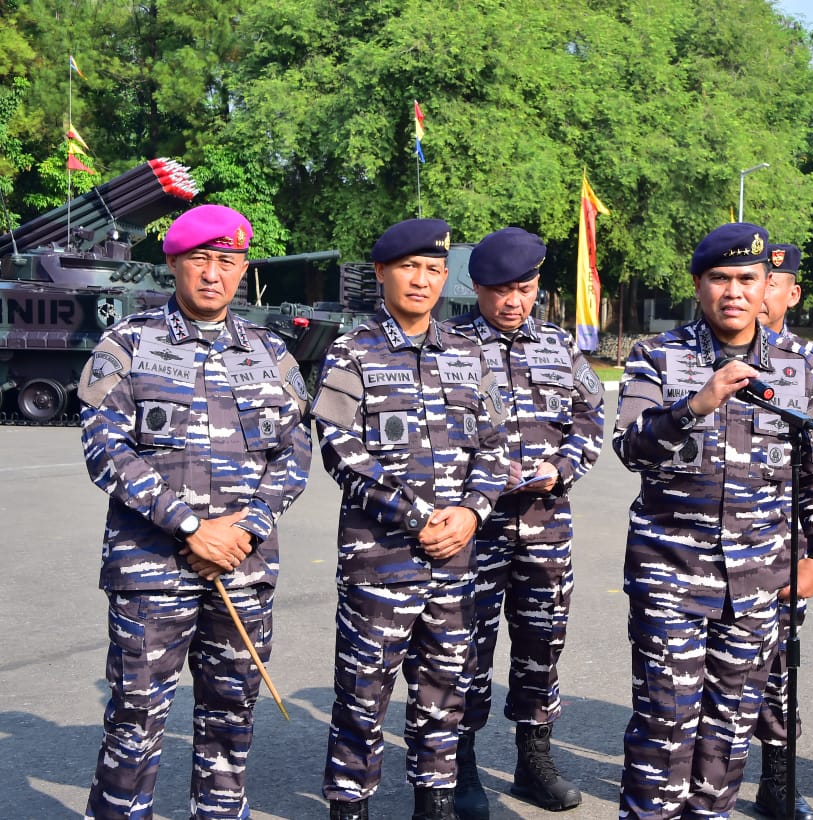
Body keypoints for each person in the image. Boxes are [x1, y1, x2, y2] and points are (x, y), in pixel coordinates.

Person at [78, 204, 313, 819]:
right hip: (151, 571)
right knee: (135, 718)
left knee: (231, 717)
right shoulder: (128, 344)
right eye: (200, 260)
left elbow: (295, 449)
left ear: (243, 270)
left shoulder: (270, 352)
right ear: (175, 264)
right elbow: (105, 449)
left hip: (242, 565)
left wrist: (247, 529)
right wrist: (189, 527)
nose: (213, 274)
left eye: (227, 262)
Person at [612, 223, 813, 819]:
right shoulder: (657, 356)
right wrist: (696, 404)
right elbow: (631, 448)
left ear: (769, 285)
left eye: (748, 279)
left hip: (760, 582)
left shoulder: (805, 367)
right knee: (664, 724)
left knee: (729, 732)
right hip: (671, 575)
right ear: (698, 285)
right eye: (720, 278)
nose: (734, 292)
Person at [313, 218, 508, 820]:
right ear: (381, 273)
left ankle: (435, 801)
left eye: (433, 270)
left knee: (445, 691)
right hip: (380, 559)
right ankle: (350, 805)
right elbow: (339, 447)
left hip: (456, 558)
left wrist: (472, 512)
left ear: (445, 278)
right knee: (362, 692)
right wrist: (418, 516)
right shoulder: (352, 351)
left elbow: (496, 445)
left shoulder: (469, 354)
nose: (421, 280)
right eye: (409, 267)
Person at [443, 227, 605, 818]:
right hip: (472, 531)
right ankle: (459, 765)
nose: (514, 302)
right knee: (464, 648)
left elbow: (591, 417)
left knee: (542, 643)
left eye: (525, 289)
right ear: (477, 288)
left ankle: (532, 759)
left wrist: (560, 468)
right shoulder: (448, 346)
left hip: (544, 525)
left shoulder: (559, 346)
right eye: (500, 291)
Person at [751, 243, 813, 820]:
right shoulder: (694, 354)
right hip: (699, 553)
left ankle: (776, 780)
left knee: (779, 665)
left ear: (792, 293)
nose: (759, 294)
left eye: (771, 282)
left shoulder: (810, 364)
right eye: (751, 280)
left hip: (783, 549)